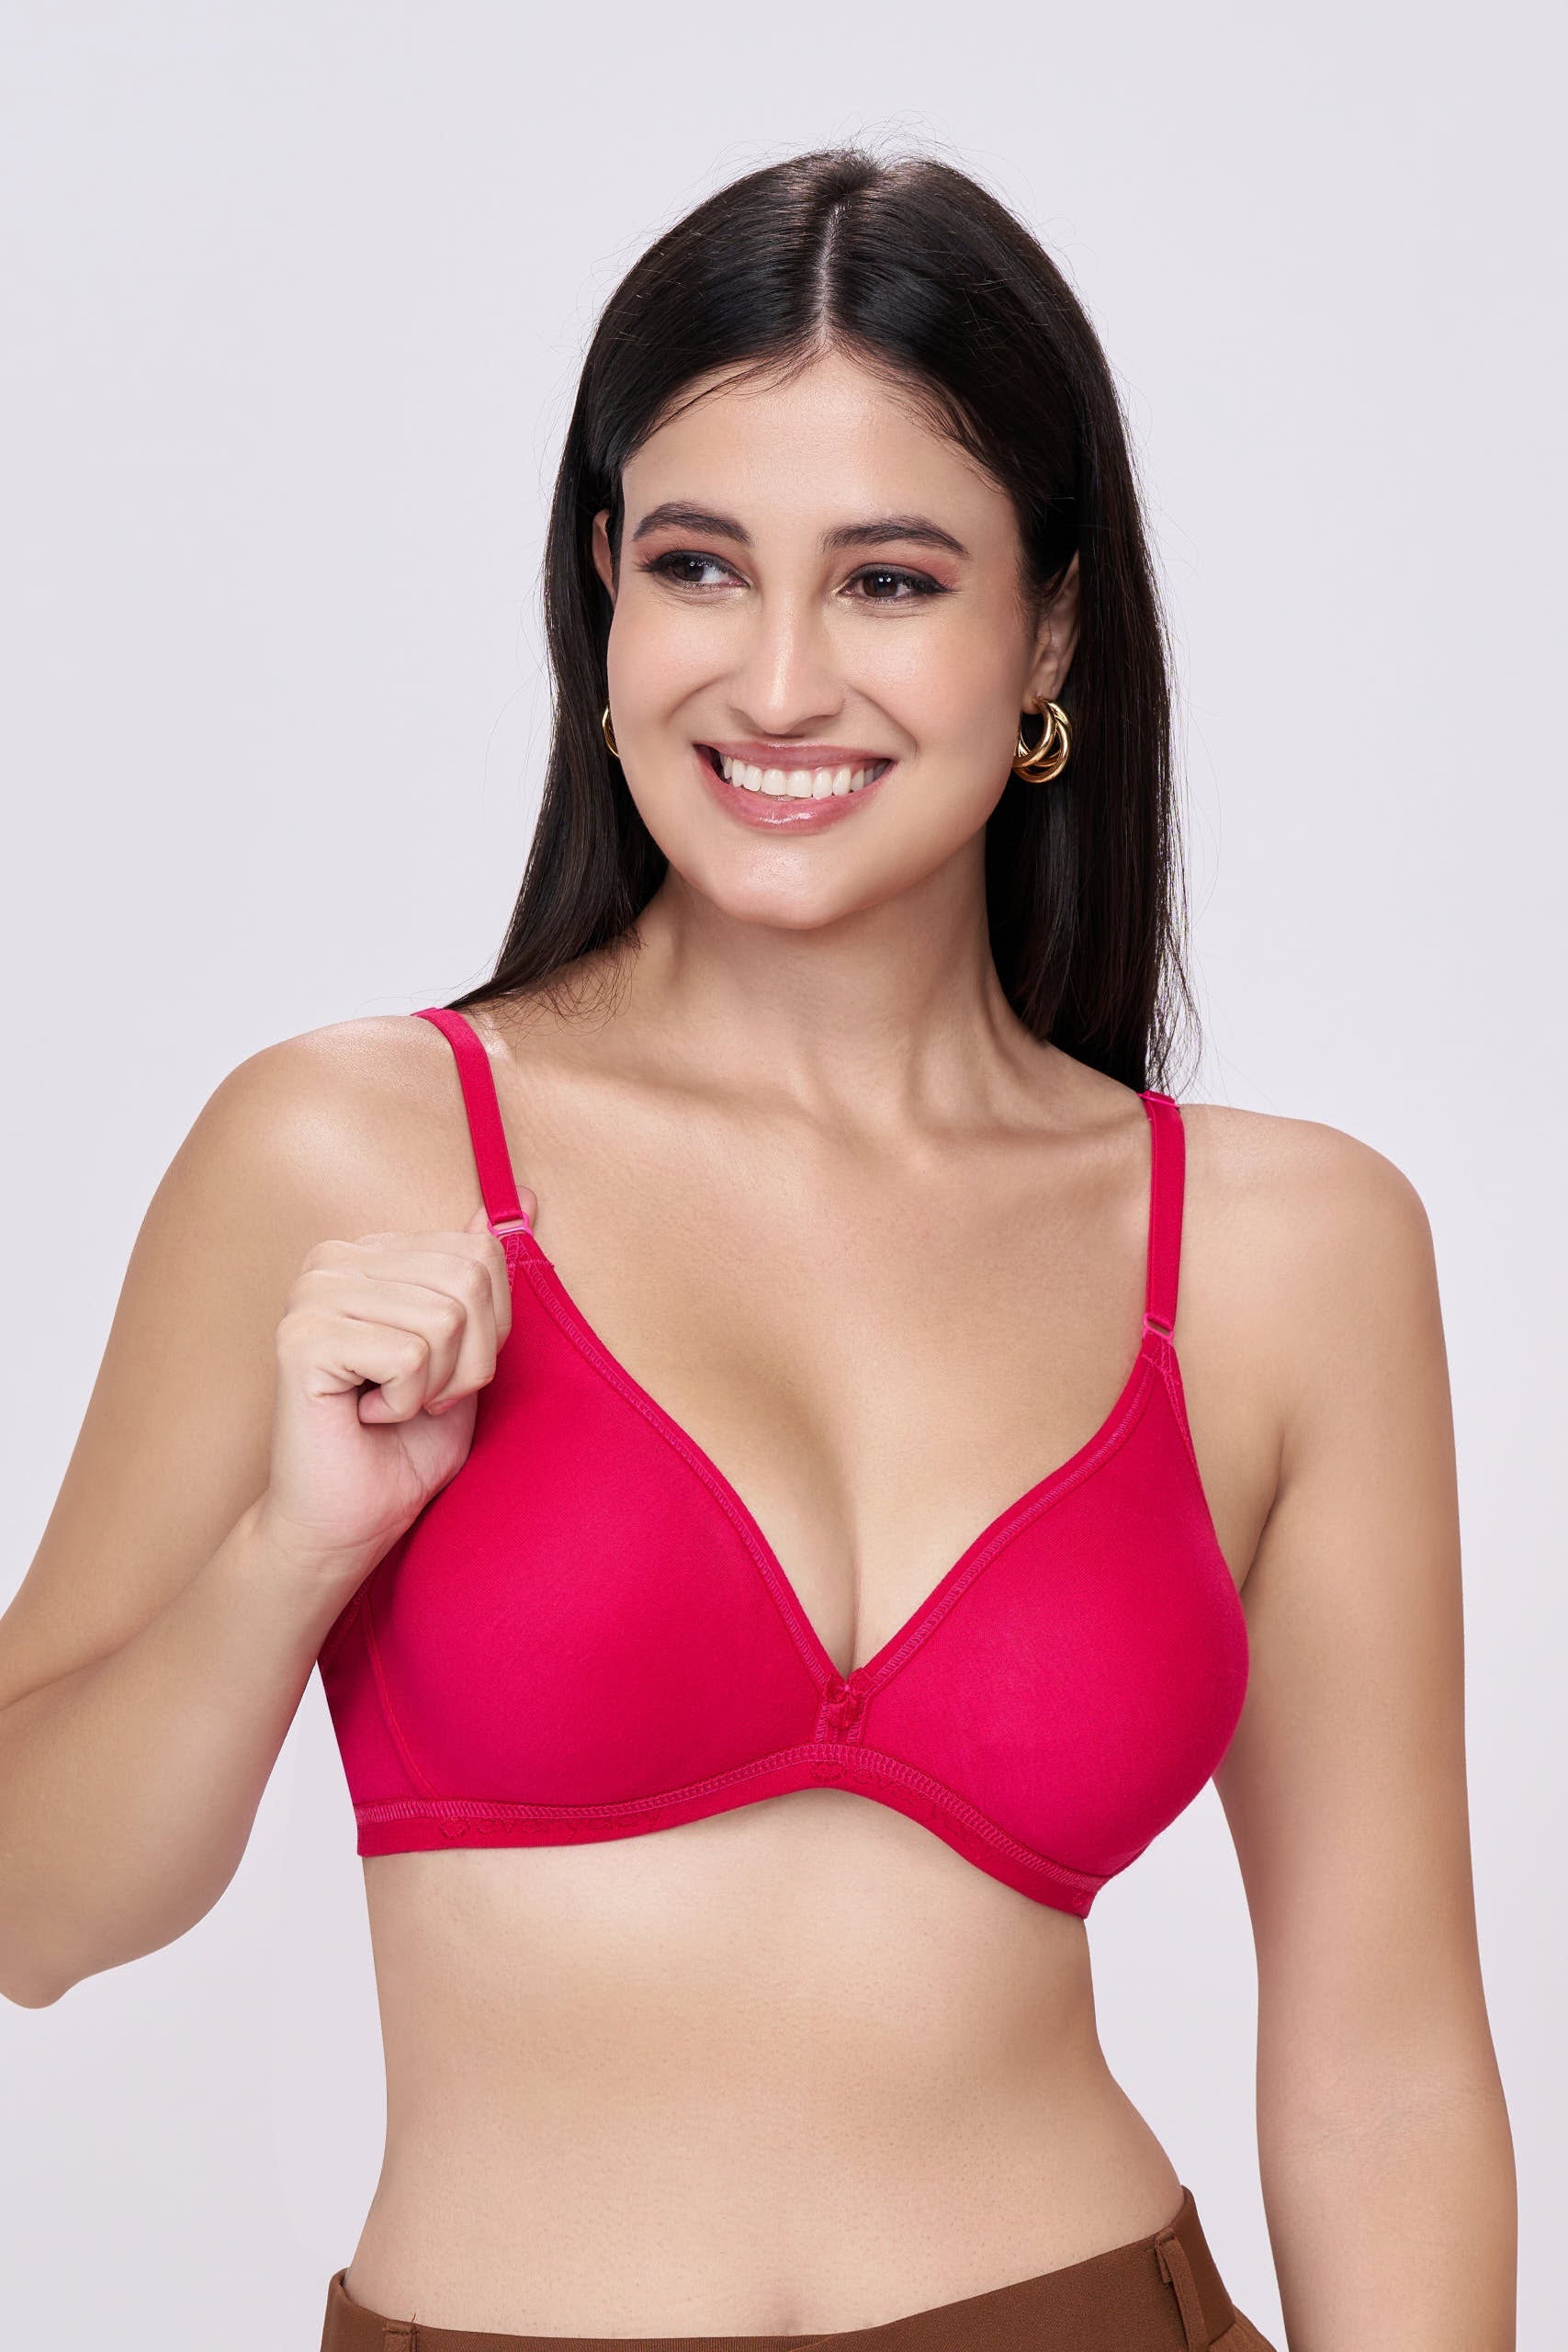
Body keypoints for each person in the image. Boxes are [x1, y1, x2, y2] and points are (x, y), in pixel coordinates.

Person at [0, 147, 1515, 2351]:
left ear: (1048, 628)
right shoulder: (347, 1148)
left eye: (888, 580)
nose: (779, 678)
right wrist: (284, 1553)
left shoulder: (1287, 1251)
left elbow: (1382, 2079)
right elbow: (32, 1910)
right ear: (602, 589)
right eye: (699, 564)